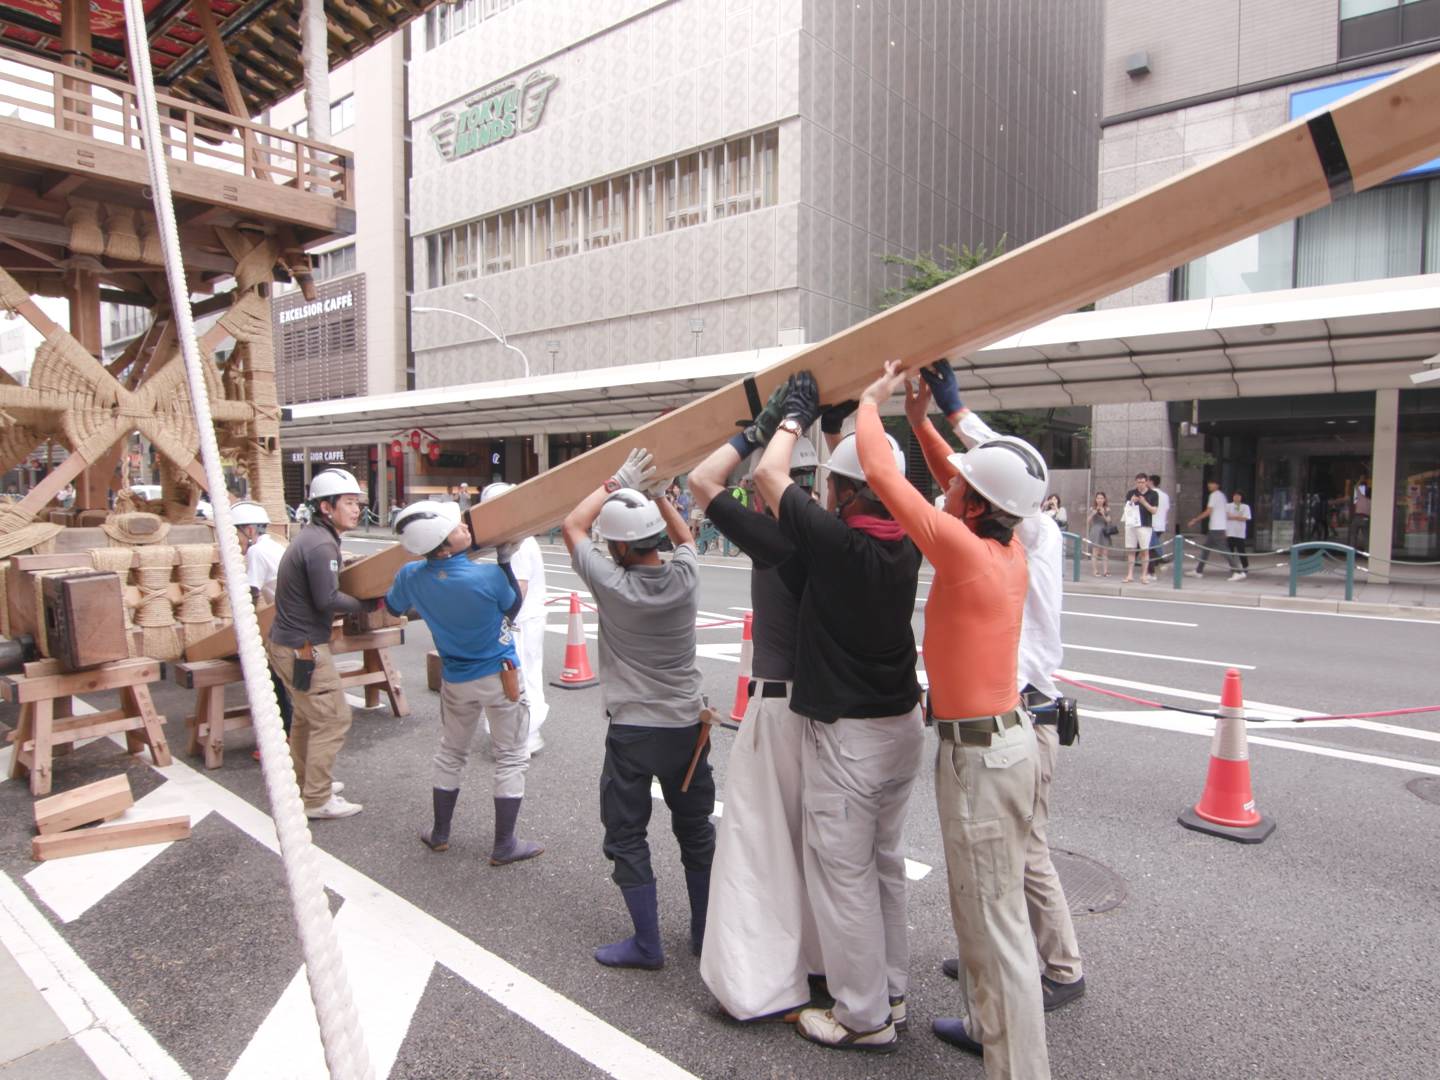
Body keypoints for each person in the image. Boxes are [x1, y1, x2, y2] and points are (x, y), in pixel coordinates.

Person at [856, 359, 1049, 1075]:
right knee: (982, 913)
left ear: (973, 503)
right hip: (1005, 746)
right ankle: (984, 1027)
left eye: (962, 485)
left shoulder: (964, 551)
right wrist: (920, 420)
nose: (953, 484)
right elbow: (957, 481)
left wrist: (871, 403)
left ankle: (1019, 1068)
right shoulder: (1007, 545)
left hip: (980, 760)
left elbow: (883, 475)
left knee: (997, 931)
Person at [752, 372, 924, 1054]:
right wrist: (860, 412)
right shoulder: (904, 539)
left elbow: (768, 476)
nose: (824, 491)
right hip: (901, 728)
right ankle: (892, 989)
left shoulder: (834, 543)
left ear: (846, 493)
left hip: (850, 741)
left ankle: (861, 1015)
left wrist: (791, 418)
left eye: (832, 484)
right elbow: (861, 474)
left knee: (845, 876)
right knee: (884, 865)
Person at [915, 363, 1086, 1027]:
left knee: (1026, 852)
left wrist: (956, 415)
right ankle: (995, 953)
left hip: (1025, 718)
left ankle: (1062, 969)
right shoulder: (1008, 530)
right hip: (1019, 716)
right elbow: (973, 477)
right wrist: (931, 419)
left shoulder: (1030, 533)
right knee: (1000, 854)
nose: (960, 488)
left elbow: (1001, 472)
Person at [687, 382, 836, 1021]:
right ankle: (824, 965)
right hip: (831, 716)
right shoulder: (841, 539)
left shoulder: (777, 541)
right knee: (823, 851)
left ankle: (758, 984)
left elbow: (701, 480)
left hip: (776, 711)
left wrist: (763, 429)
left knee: (757, 844)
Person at [562, 450, 713, 971]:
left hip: (633, 732)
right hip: (689, 729)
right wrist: (657, 499)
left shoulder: (613, 585)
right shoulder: (686, 578)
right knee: (694, 830)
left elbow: (572, 525)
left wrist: (616, 483)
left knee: (627, 833)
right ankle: (703, 934)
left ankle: (648, 945)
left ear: (621, 546)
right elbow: (689, 540)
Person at [386, 500, 542, 864]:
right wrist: (505, 561)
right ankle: (504, 844)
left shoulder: (410, 575)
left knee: (451, 753)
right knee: (510, 757)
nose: (466, 529)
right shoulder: (485, 577)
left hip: (455, 678)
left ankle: (440, 833)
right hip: (499, 676)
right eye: (457, 528)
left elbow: (394, 608)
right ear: (441, 545)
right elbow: (512, 606)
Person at [265, 468, 368, 820]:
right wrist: (364, 604)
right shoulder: (321, 544)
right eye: (350, 503)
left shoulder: (314, 538)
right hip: (304, 647)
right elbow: (327, 599)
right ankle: (317, 798)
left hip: (288, 643)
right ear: (327, 507)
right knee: (333, 718)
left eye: (358, 503)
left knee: (307, 719)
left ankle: (303, 783)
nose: (357, 509)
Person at [480, 483, 549, 755]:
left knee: (518, 681)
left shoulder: (516, 542)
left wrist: (502, 622)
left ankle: (521, 737)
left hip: (520, 622)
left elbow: (518, 589)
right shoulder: (518, 538)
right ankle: (522, 736)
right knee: (526, 677)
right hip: (526, 620)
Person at [232, 500, 292, 747]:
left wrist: (240, 629)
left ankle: (284, 735)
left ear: (248, 530)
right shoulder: (275, 547)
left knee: (272, 679)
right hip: (294, 620)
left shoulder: (256, 552)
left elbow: (251, 593)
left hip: (287, 627)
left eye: (235, 533)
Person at [1186, 480, 1242, 580]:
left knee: (1224, 550)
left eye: (1211, 484)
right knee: (1206, 549)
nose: (1209, 486)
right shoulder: (1222, 496)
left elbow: (1209, 511)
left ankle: (1238, 571)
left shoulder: (1214, 495)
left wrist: (1195, 520)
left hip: (1217, 528)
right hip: (1217, 527)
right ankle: (1199, 571)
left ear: (1217, 485)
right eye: (1209, 484)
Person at [1122, 473, 1159, 584]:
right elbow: (1126, 509)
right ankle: (1130, 575)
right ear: (1135, 482)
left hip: (1145, 525)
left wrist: (1144, 502)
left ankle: (1144, 575)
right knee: (1131, 549)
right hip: (1131, 524)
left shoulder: (1153, 494)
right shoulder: (1131, 493)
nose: (1140, 484)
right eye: (1138, 482)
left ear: (1147, 482)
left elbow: (1154, 511)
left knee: (1144, 550)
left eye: (1143, 482)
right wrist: (1131, 502)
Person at [1148, 474, 1171, 568]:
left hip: (1152, 523)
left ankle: (1161, 558)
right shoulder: (1165, 495)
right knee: (1151, 545)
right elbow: (1167, 508)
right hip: (1162, 524)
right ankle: (1154, 564)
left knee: (1153, 545)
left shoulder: (1150, 494)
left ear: (1151, 482)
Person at [1087, 492, 1112, 577]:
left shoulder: (1107, 509)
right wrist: (1093, 513)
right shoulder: (1092, 508)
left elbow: (1108, 521)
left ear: (1104, 499)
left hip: (1104, 531)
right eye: (1098, 498)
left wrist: (1103, 513)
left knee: (1105, 552)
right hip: (1095, 530)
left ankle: (1105, 571)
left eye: (1101, 498)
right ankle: (1095, 571)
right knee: (1095, 552)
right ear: (1096, 499)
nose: (1100, 500)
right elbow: (1088, 521)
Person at [1226, 490, 1252, 574]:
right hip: (1230, 532)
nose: (1236, 498)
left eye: (1238, 496)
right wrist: (1238, 517)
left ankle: (1245, 566)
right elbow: (1226, 516)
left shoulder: (1245, 507)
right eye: (1235, 496)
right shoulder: (1228, 506)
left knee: (1241, 550)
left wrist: (1233, 516)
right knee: (1230, 550)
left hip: (1239, 532)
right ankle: (1233, 566)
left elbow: (1246, 517)